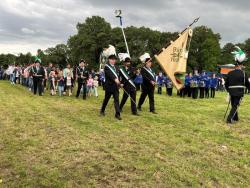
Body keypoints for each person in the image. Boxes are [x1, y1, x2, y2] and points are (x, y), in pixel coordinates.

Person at [225, 47, 250, 124]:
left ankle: (236, 118)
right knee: (235, 105)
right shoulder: (243, 73)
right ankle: (229, 119)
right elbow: (247, 84)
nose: (243, 67)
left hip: (231, 91)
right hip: (239, 92)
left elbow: (226, 84)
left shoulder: (230, 73)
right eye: (242, 65)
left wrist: (228, 90)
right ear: (240, 65)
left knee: (233, 105)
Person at [100, 47, 122, 120]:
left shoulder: (117, 67)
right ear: (109, 60)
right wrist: (116, 80)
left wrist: (120, 83)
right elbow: (111, 75)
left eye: (114, 59)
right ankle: (102, 110)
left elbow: (118, 76)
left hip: (115, 87)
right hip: (109, 86)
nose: (113, 61)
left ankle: (117, 114)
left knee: (116, 100)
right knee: (106, 99)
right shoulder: (106, 67)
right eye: (112, 59)